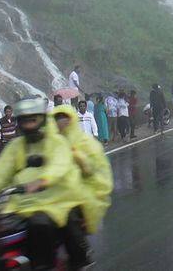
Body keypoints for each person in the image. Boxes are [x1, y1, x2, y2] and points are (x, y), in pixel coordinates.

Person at [0, 98, 85, 270]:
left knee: (39, 222)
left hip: (53, 200)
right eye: (24, 120)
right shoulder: (15, 146)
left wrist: (42, 181)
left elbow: (59, 166)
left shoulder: (56, 142)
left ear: (42, 119)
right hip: (20, 203)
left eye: (32, 120)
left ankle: (45, 266)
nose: (28, 125)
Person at [50, 105, 113, 269]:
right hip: (55, 194)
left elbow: (97, 173)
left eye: (64, 119)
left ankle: (81, 256)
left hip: (83, 195)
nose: (60, 123)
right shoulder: (50, 144)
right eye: (57, 119)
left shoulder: (86, 144)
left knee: (69, 217)